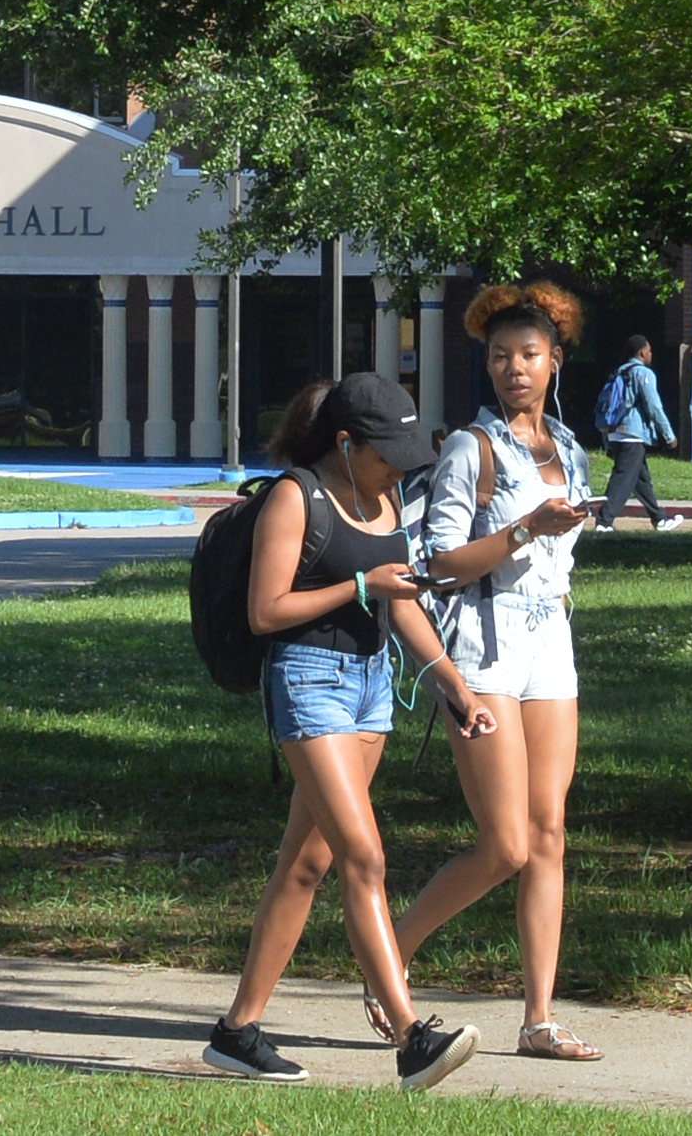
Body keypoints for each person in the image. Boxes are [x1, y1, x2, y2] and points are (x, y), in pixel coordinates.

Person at [205, 371, 496, 1093]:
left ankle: (237, 1033)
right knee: (362, 856)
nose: (398, 468)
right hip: (306, 682)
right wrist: (361, 588)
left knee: (306, 865)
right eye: (385, 453)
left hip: (369, 690)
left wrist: (454, 689)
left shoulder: (384, 496)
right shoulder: (294, 495)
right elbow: (265, 611)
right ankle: (410, 1039)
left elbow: (402, 607)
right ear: (345, 442)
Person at [385, 280, 602, 1064]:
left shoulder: (568, 448)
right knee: (505, 843)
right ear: (486, 364)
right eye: (500, 356)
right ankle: (389, 956)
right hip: (483, 651)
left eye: (529, 355)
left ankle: (538, 1018)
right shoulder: (467, 450)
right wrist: (521, 530)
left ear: (555, 361)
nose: (515, 368)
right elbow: (437, 565)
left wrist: (553, 540)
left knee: (548, 836)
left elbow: (559, 557)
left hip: (550, 646)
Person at [594, 336, 685, 533]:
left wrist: (607, 440)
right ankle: (604, 522)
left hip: (616, 433)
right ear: (642, 353)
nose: (651, 354)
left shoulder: (618, 372)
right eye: (649, 351)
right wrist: (668, 435)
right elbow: (654, 406)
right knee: (623, 479)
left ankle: (659, 519)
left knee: (641, 480)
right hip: (633, 435)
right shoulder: (643, 374)